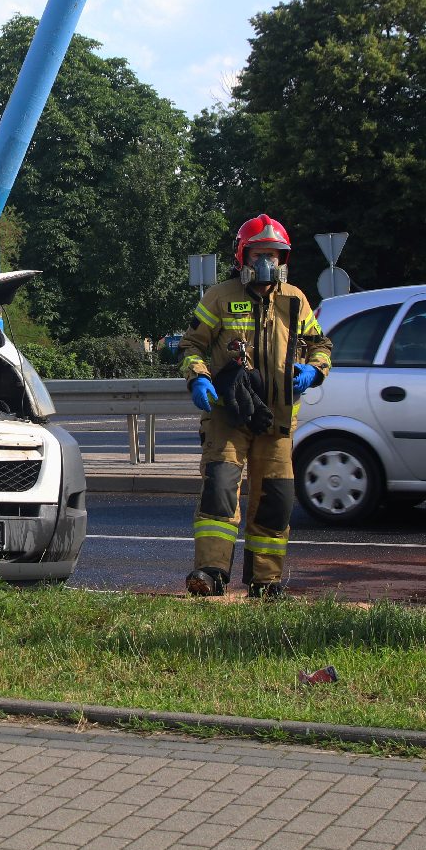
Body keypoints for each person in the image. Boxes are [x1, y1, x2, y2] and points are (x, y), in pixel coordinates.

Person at [178, 214, 332, 598]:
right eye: (259, 254)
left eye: (274, 254)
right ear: (242, 257)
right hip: (228, 416)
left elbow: (321, 345)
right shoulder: (219, 296)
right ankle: (210, 573)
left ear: (284, 260)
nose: (267, 262)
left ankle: (266, 581)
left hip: (278, 419)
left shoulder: (294, 299)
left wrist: (314, 371)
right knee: (221, 491)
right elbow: (191, 345)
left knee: (275, 500)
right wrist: (198, 376)